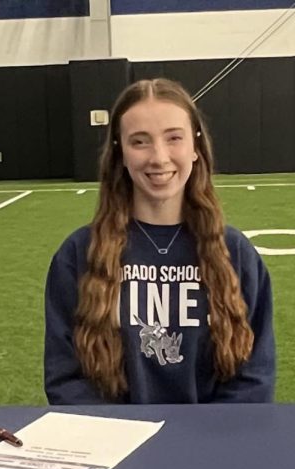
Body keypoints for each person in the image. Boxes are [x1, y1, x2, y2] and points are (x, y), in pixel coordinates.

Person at [43, 78, 275, 404]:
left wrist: (210, 445)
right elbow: (66, 380)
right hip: (116, 448)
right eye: (140, 142)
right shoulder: (78, 255)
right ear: (120, 153)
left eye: (174, 138)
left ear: (195, 148)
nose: (159, 157)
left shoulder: (235, 252)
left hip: (212, 447)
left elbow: (254, 377)